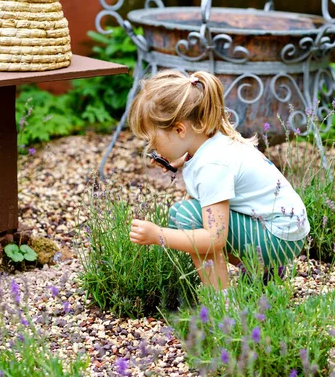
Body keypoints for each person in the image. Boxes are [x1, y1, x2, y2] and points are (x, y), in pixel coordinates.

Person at [128, 69, 310, 290]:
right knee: (181, 213)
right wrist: (181, 162)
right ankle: (263, 274)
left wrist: (158, 235)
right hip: (286, 230)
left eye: (152, 139)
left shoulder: (212, 166)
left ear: (179, 129)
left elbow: (215, 239)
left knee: (187, 216)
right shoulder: (213, 140)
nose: (151, 147)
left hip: (277, 240)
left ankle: (221, 304)